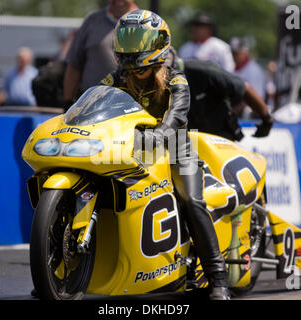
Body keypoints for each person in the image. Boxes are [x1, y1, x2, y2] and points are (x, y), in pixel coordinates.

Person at [100, 9, 230, 300]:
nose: (132, 50)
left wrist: (159, 134)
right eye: (128, 40)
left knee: (192, 201)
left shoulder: (176, 80)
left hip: (174, 150)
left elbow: (174, 117)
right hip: (129, 149)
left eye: (139, 40)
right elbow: (93, 103)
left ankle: (218, 277)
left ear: (157, 44)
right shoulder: (116, 78)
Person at [166, 47, 273, 141]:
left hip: (219, 138)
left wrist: (266, 119)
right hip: (184, 142)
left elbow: (243, 88)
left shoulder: (203, 71)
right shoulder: (152, 84)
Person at [63, 0, 138, 106]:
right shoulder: (92, 21)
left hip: (132, 106)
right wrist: (67, 102)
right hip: (91, 106)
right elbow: (74, 65)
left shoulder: (147, 22)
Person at [230, 37, 267, 119]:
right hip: (235, 106)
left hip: (250, 112)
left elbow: (257, 98)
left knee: (248, 111)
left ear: (246, 53)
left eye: (238, 53)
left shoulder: (254, 70)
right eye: (233, 53)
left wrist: (233, 111)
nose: (235, 56)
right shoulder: (231, 69)